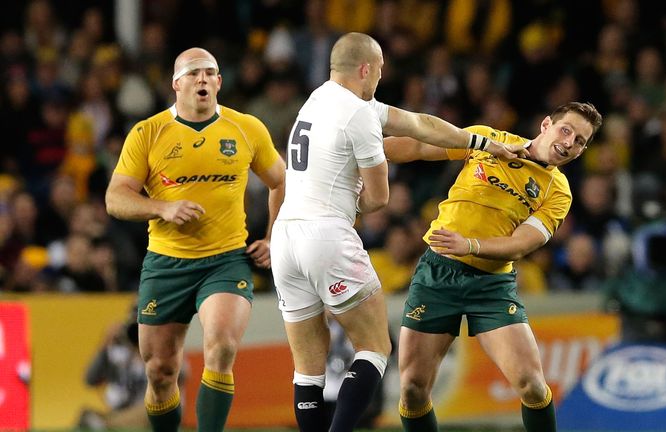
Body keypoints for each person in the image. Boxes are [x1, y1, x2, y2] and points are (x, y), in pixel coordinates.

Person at [269, 32, 525, 432]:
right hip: (326, 233)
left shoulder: (317, 99)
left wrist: (481, 142)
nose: (381, 77)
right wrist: (352, 202)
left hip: (286, 238)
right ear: (366, 69)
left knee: (308, 367)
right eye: (380, 69)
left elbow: (419, 124)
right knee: (375, 346)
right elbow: (379, 197)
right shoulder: (358, 113)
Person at [384, 101, 604, 432]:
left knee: (532, 385)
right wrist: (362, 150)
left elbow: (522, 243)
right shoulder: (488, 139)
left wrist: (471, 245)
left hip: (491, 285)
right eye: (566, 130)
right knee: (413, 389)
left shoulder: (558, 191)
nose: (569, 142)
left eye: (580, 141)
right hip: (437, 273)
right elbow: (417, 146)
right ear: (546, 125)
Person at [104, 47, 286, 432]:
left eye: (209, 72)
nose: (201, 78)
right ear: (176, 84)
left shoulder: (246, 128)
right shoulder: (148, 132)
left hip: (226, 261)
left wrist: (274, 237)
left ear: (219, 82)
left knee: (221, 347)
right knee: (160, 371)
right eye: (192, 72)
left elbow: (281, 181)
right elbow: (115, 198)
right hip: (166, 263)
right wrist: (162, 208)